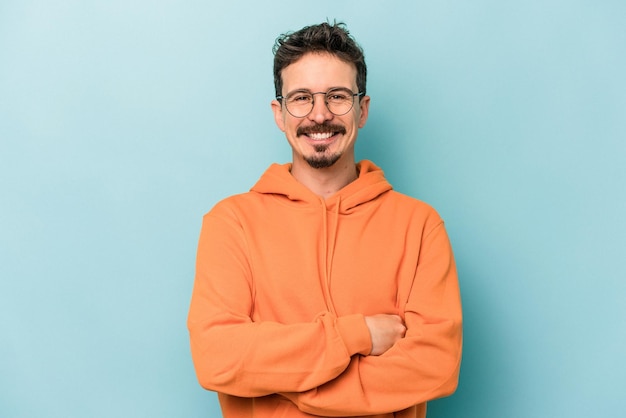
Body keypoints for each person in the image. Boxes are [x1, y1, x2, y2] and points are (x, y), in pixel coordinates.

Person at [187, 21, 463, 418]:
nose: (319, 115)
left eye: (337, 96)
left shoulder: (419, 226)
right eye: (301, 98)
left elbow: (435, 366)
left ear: (362, 110)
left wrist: (287, 389)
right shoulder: (231, 224)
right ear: (279, 113)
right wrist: (358, 335)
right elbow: (219, 357)